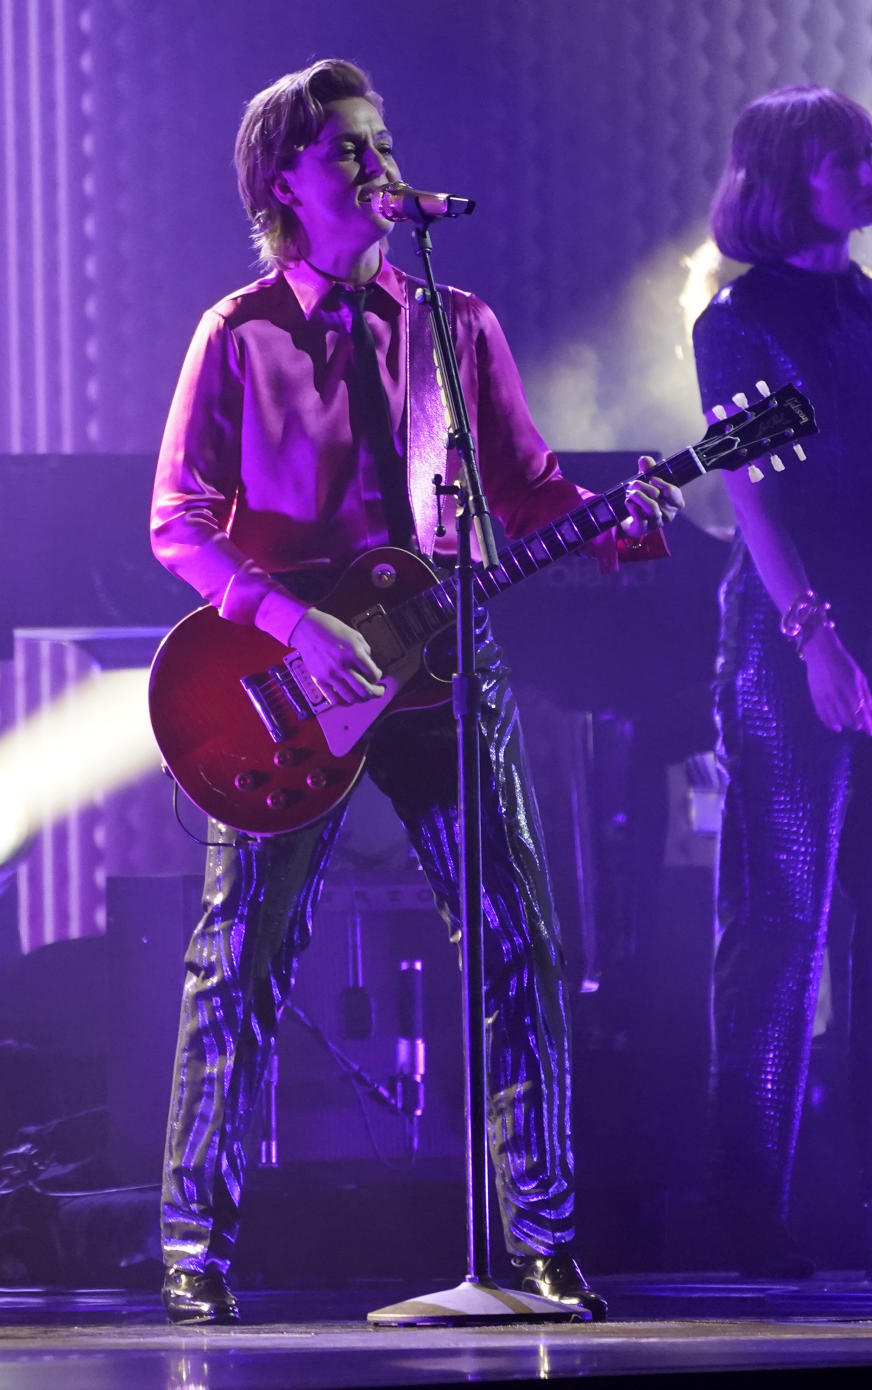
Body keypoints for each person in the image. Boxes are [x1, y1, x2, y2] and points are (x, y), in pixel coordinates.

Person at [150, 58, 682, 1325]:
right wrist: (290, 616)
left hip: (446, 670)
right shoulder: (236, 334)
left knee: (521, 950)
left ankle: (540, 1244)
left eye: (382, 142)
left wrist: (621, 523)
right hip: (289, 679)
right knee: (241, 959)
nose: (377, 165)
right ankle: (190, 1249)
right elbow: (178, 523)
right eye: (348, 149)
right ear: (285, 177)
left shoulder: (457, 323)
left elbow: (533, 490)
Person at [692, 84, 872, 1277]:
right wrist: (817, 641)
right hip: (791, 647)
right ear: (790, 176)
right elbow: (754, 498)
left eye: (870, 154)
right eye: (848, 157)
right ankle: (751, 1211)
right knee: (785, 922)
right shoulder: (740, 321)